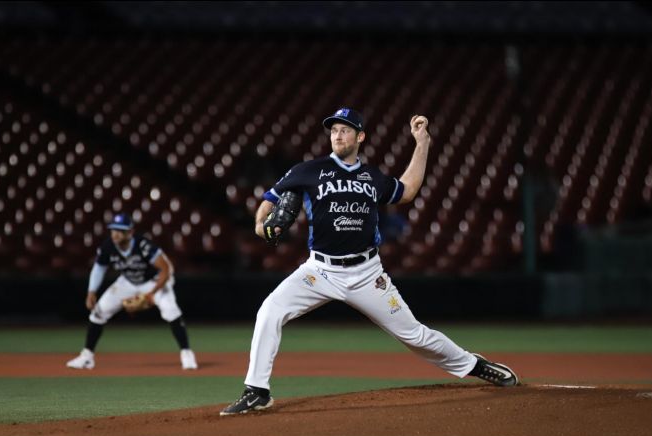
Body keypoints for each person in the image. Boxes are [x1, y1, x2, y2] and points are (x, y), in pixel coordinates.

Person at [220, 108, 518, 416]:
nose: (337, 134)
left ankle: (476, 365)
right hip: (319, 271)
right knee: (270, 310)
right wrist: (261, 225)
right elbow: (268, 202)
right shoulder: (307, 171)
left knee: (414, 335)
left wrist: (422, 143)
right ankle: (257, 391)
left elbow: (408, 190)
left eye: (345, 130)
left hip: (367, 274)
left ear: (360, 137)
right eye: (334, 129)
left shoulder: (371, 177)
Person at [66, 213, 198, 370]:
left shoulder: (143, 245)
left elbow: (166, 270)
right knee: (99, 311)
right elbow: (99, 267)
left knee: (171, 310)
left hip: (155, 280)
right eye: (113, 229)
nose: (115, 233)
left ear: (130, 232)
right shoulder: (108, 245)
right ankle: (87, 357)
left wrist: (152, 294)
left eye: (120, 230)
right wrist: (91, 291)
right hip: (128, 281)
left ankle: (186, 353)